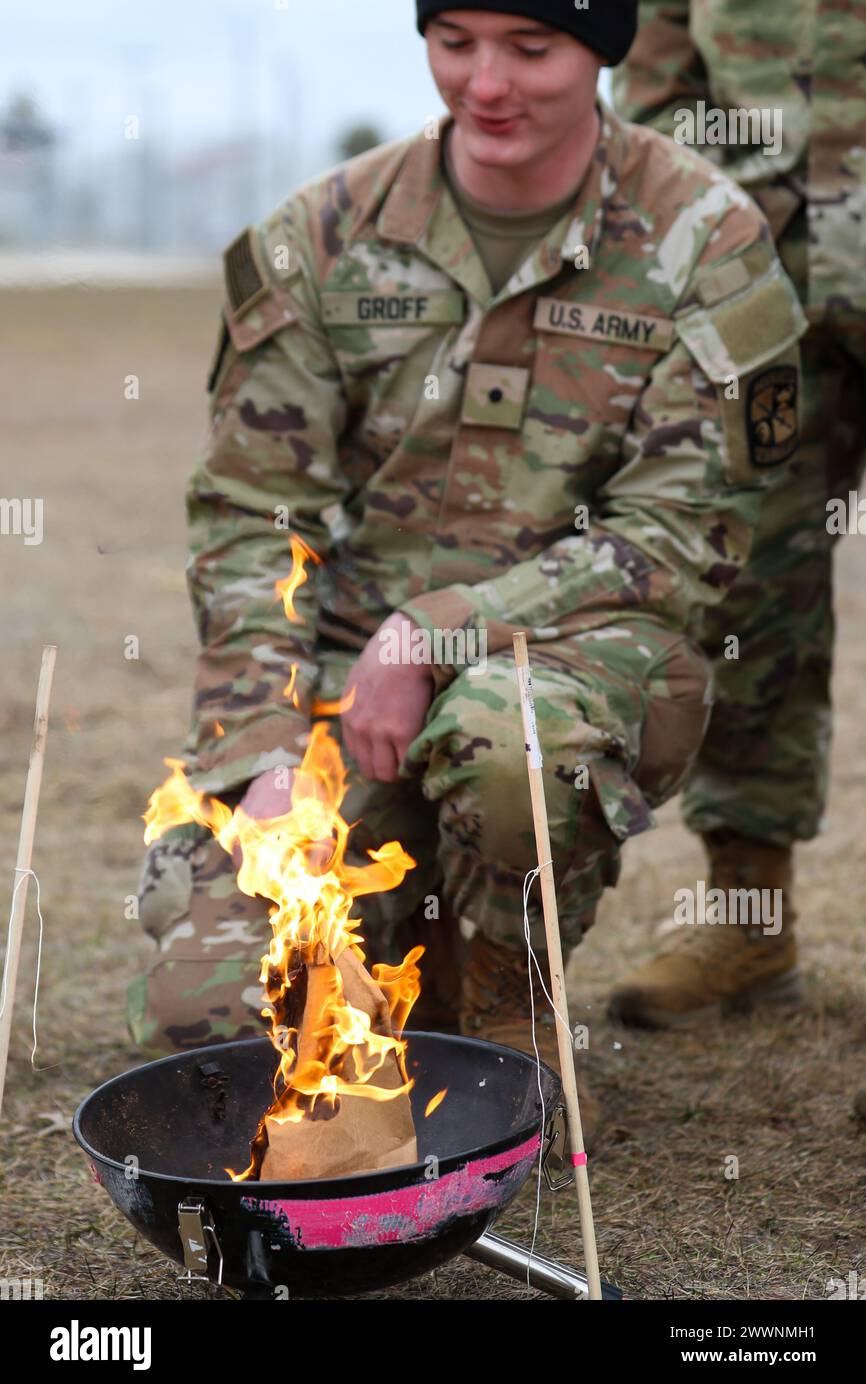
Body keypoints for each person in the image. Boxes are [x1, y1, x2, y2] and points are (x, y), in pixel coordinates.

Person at [128, 3, 805, 1128]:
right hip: (358, 676)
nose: (485, 82)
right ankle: (417, 968)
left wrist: (441, 628)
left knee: (503, 735)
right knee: (206, 1017)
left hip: (580, 653)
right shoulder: (326, 234)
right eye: (453, 43)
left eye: (530, 50)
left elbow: (681, 535)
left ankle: (507, 1009)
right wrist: (259, 751)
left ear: (606, 50)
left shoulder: (702, 237)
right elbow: (252, 509)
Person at [609, 1, 866, 1027]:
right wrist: (707, 229)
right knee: (750, 597)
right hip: (763, 286)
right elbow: (656, 72)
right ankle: (750, 918)